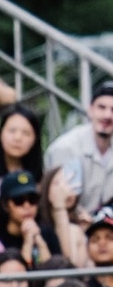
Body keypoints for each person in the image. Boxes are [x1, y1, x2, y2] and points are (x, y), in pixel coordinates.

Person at [46, 79, 113, 218]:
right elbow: (59, 203)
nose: (108, 115)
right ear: (90, 110)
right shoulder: (67, 148)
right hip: (67, 224)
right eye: (101, 107)